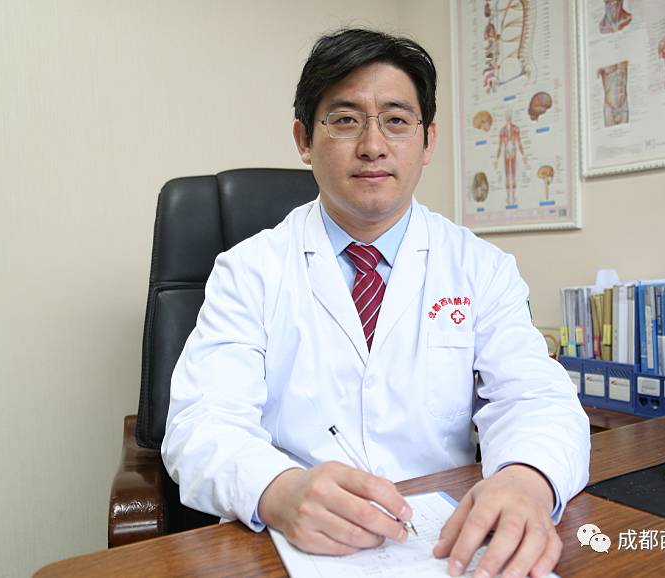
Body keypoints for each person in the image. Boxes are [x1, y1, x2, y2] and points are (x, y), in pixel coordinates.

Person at [162, 28, 589, 578]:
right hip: (287, 547)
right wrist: (279, 490)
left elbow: (535, 398)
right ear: (303, 139)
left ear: (428, 141)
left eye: (396, 120)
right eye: (345, 120)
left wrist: (526, 481)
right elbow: (201, 423)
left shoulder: (482, 268)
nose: (372, 145)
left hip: (444, 541)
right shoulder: (248, 270)